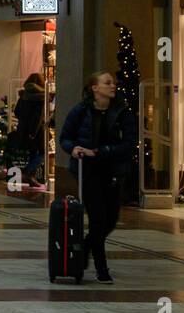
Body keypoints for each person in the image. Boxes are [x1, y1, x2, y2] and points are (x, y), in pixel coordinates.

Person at [58, 70, 138, 284]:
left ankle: (83, 248)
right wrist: (73, 148)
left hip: (113, 171)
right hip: (88, 171)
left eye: (113, 83)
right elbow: (65, 137)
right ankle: (102, 269)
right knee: (97, 218)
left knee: (111, 219)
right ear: (95, 88)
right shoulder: (81, 111)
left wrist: (102, 152)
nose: (113, 86)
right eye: (107, 82)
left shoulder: (122, 112)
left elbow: (129, 144)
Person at [13, 72, 46, 188]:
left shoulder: (23, 95)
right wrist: (34, 132)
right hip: (36, 131)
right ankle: (28, 172)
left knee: (32, 152)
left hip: (23, 129)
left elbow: (16, 112)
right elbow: (38, 117)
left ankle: (31, 177)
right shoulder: (42, 97)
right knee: (43, 152)